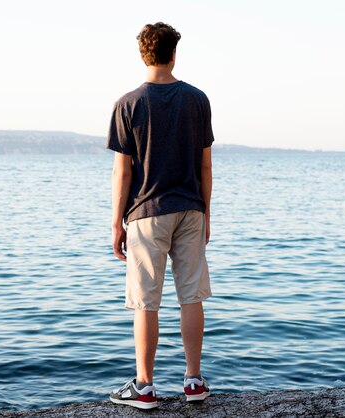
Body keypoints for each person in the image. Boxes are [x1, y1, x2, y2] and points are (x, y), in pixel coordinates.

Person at [107, 22, 214, 410]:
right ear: (174, 53)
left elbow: (123, 172)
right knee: (191, 296)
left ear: (142, 55)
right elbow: (205, 166)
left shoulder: (127, 104)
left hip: (146, 212)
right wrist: (207, 211)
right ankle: (194, 381)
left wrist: (116, 221)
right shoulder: (197, 100)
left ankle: (145, 387)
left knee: (145, 302)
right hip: (190, 208)